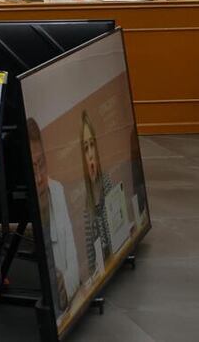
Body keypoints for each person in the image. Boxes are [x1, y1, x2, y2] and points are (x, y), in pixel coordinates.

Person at [28, 117, 80, 313]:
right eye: (32, 168)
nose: (40, 177)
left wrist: (63, 284)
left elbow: (74, 266)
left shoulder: (56, 190)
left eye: (41, 164)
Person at [81, 111, 114, 275]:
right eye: (86, 148)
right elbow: (90, 256)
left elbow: (114, 236)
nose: (91, 154)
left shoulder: (106, 183)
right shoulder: (86, 199)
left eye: (92, 145)